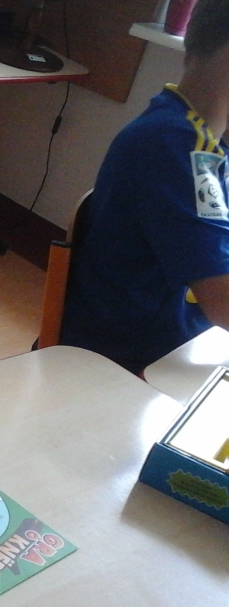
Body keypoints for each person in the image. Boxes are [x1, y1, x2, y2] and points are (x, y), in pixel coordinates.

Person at [59, 0, 229, 374]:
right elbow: (224, 304)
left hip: (169, 348)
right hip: (129, 366)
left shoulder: (200, 139)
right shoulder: (179, 147)